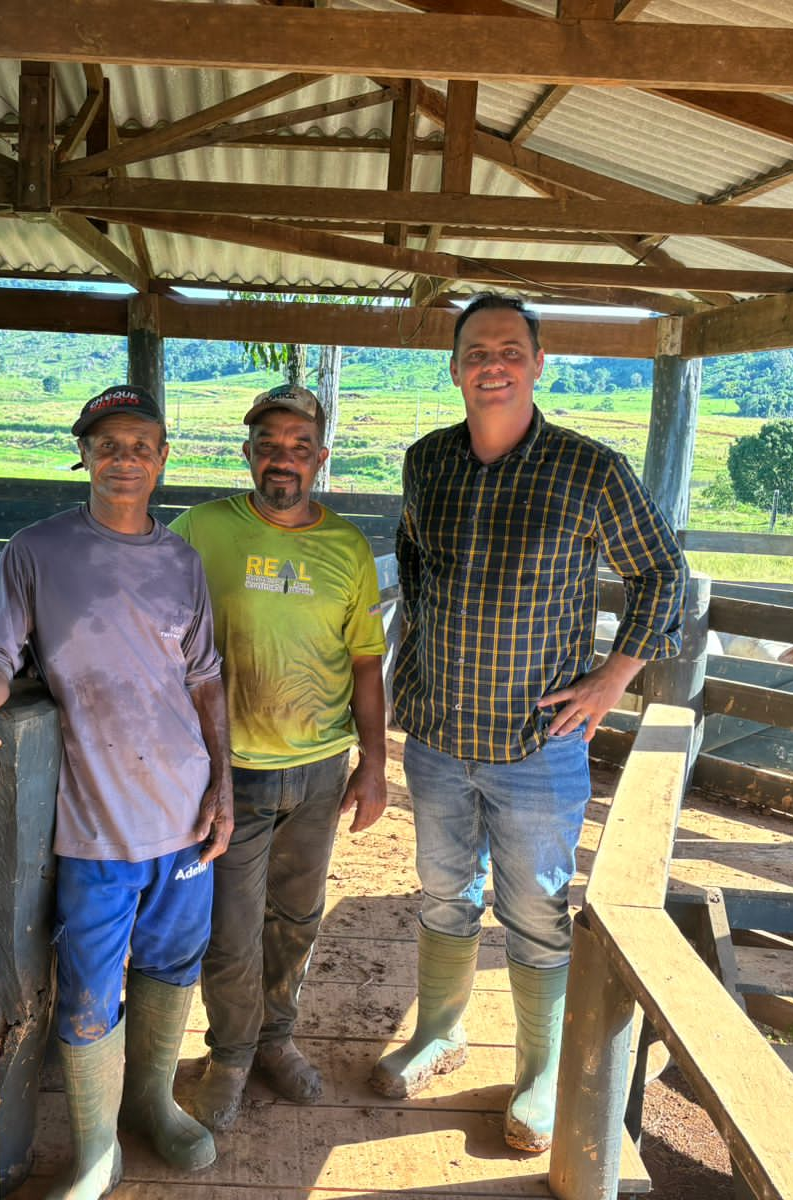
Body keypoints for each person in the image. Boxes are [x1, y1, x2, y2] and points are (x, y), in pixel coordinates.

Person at [372, 294, 686, 1153]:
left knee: (538, 911)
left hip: (536, 744)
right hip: (437, 735)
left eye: (511, 350)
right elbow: (412, 560)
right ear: (455, 367)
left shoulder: (590, 470)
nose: (493, 364)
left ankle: (541, 1071)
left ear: (539, 365)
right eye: (477, 350)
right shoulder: (426, 461)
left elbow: (665, 575)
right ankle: (440, 1031)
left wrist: (613, 677)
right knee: (443, 893)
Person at [0, 384, 234, 1200]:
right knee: (92, 979)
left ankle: (152, 1102)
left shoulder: (181, 562)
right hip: (95, 822)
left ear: (162, 458)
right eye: (108, 444)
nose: (124, 458)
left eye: (141, 444)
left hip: (182, 806)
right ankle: (98, 1144)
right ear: (85, 453)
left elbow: (205, 680)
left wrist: (224, 785)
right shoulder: (37, 551)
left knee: (173, 963)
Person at [169, 383, 388, 1132]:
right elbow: (151, 618)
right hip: (228, 771)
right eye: (269, 446)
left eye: (299, 448)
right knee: (231, 926)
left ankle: (276, 1039)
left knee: (295, 916)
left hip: (321, 769)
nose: (283, 460)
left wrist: (375, 763)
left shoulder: (348, 547)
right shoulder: (201, 529)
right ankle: (228, 1055)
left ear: (321, 458)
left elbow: (364, 663)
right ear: (248, 454)